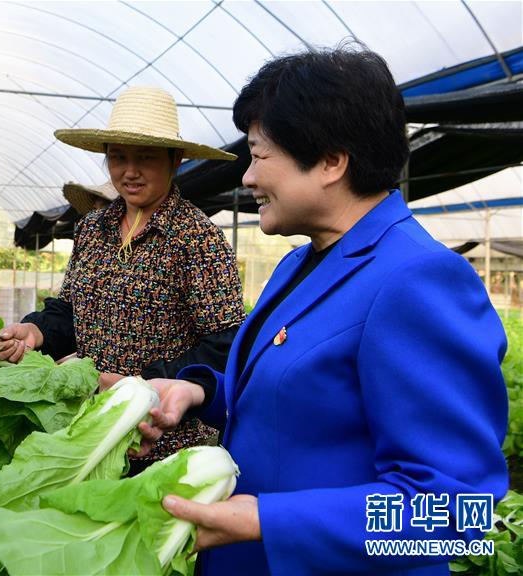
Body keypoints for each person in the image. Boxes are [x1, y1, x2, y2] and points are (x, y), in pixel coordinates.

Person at [140, 48, 508, 575]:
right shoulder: (298, 264)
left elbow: (455, 517)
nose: (246, 177)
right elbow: (300, 399)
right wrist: (200, 392)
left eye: (259, 155)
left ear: (332, 161)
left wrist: (270, 521)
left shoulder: (418, 279)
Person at [0, 86, 246, 473]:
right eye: (118, 157)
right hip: (89, 426)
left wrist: (139, 383)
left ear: (175, 160)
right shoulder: (94, 228)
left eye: (145, 158)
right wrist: (36, 332)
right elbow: (69, 312)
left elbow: (224, 345)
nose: (129, 171)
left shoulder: (197, 238)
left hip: (163, 442)